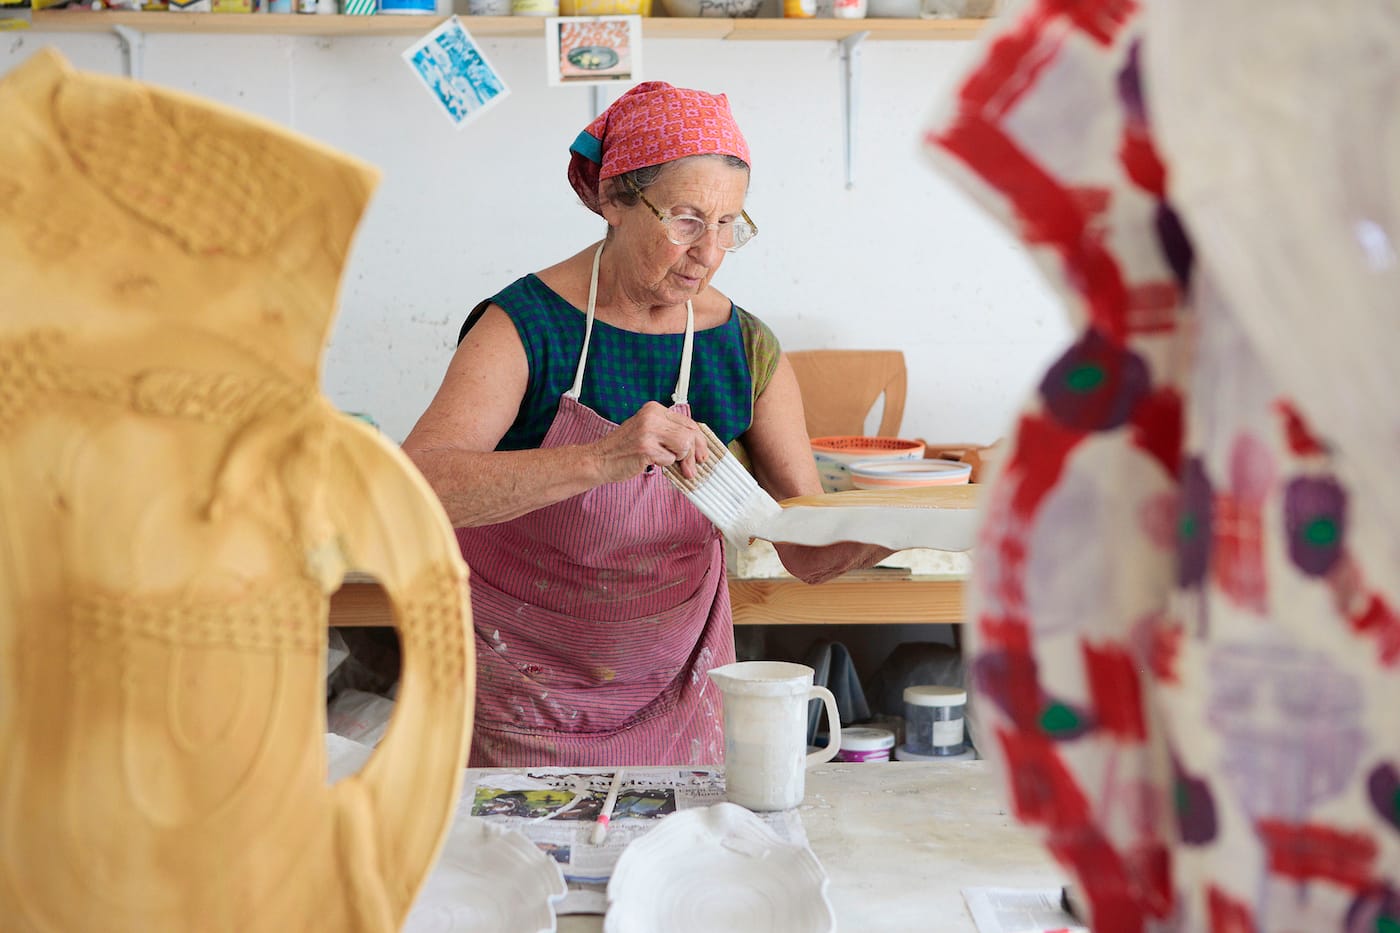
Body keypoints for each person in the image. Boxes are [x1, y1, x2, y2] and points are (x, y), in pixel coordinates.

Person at [403, 82, 890, 769]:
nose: (709, 252)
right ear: (613, 201)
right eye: (687, 220)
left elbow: (803, 551)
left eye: (730, 225)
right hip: (521, 688)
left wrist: (916, 526)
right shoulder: (524, 326)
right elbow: (419, 485)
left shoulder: (744, 347)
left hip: (679, 689)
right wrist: (601, 458)